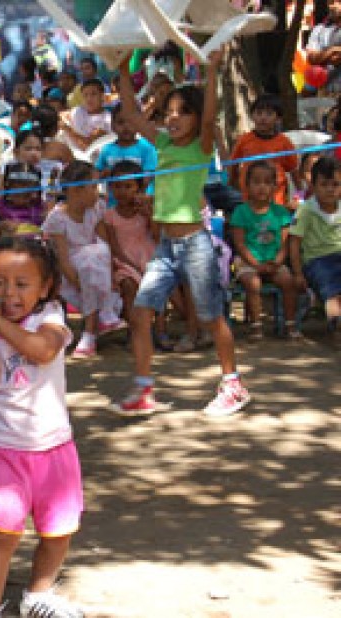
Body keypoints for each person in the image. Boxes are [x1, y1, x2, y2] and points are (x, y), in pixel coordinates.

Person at [112, 50, 251, 418]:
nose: (172, 117)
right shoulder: (160, 143)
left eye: (181, 111)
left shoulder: (200, 147)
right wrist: (123, 71)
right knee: (141, 314)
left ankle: (233, 385)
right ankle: (143, 388)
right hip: (167, 247)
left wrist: (211, 67)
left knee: (211, 317)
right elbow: (130, 113)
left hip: (195, 246)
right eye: (169, 110)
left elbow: (209, 117)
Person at [0, 236, 83, 618]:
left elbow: (42, 350)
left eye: (22, 284)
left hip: (54, 445)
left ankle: (38, 594)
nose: (9, 293)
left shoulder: (52, 316)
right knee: (2, 535)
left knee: (58, 532)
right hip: (2, 448)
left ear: (45, 288)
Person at [43, 161, 124, 358]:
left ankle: (89, 335)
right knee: (91, 259)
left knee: (97, 253)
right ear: (77, 190)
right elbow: (62, 260)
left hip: (97, 270)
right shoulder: (57, 219)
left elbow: (106, 244)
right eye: (94, 186)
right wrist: (81, 283)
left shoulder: (96, 209)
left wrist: (111, 276)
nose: (98, 191)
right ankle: (100, 319)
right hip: (70, 273)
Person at [230, 161, 299, 340]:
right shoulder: (240, 212)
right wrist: (256, 265)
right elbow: (240, 244)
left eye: (267, 182)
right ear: (247, 185)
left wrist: (277, 262)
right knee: (253, 283)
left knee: (288, 281)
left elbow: (285, 243)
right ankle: (256, 326)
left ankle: (290, 325)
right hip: (248, 261)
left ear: (275, 186)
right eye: (256, 182)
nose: (262, 187)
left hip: (274, 261)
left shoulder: (281, 213)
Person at [289, 156, 341, 342]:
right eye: (324, 184)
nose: (329, 189)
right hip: (317, 261)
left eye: (335, 184)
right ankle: (336, 327)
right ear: (313, 185)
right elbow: (294, 242)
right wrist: (297, 273)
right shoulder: (306, 210)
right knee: (334, 293)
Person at [102, 161, 158, 323]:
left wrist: (149, 215)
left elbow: (156, 236)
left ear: (138, 188)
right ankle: (134, 328)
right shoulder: (109, 216)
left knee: (159, 285)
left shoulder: (145, 212)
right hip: (123, 262)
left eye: (128, 186)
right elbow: (114, 247)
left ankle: (160, 331)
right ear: (111, 188)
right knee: (128, 286)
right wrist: (131, 266)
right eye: (118, 186)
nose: (122, 192)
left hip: (148, 259)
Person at [229, 94, 299, 207]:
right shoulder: (244, 140)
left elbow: (294, 171)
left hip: (276, 201)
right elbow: (233, 165)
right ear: (252, 115)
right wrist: (233, 185)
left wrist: (299, 197)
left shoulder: (284, 142)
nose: (263, 118)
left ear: (278, 118)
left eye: (269, 114)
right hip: (248, 199)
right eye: (259, 113)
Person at [95, 107, 159, 207]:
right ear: (112, 126)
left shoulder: (147, 148)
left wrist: (136, 198)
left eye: (131, 122)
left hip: (140, 204)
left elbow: (148, 177)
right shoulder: (106, 149)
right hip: (114, 204)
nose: (126, 127)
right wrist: (104, 174)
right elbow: (96, 175)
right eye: (120, 122)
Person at [0, 160, 47, 237]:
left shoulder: (40, 206)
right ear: (8, 187)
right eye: (17, 195)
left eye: (27, 195)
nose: (22, 199)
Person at [61, 78, 111, 152]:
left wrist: (67, 129)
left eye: (93, 94)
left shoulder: (107, 120)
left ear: (102, 96)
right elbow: (63, 115)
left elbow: (86, 146)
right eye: (85, 95)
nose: (89, 99)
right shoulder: (78, 110)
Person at [305, 0, 341, 94]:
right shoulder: (319, 29)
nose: (333, 6)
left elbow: (337, 59)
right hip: (325, 91)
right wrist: (333, 50)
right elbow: (311, 58)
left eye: (339, 2)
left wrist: (322, 57)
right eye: (331, 3)